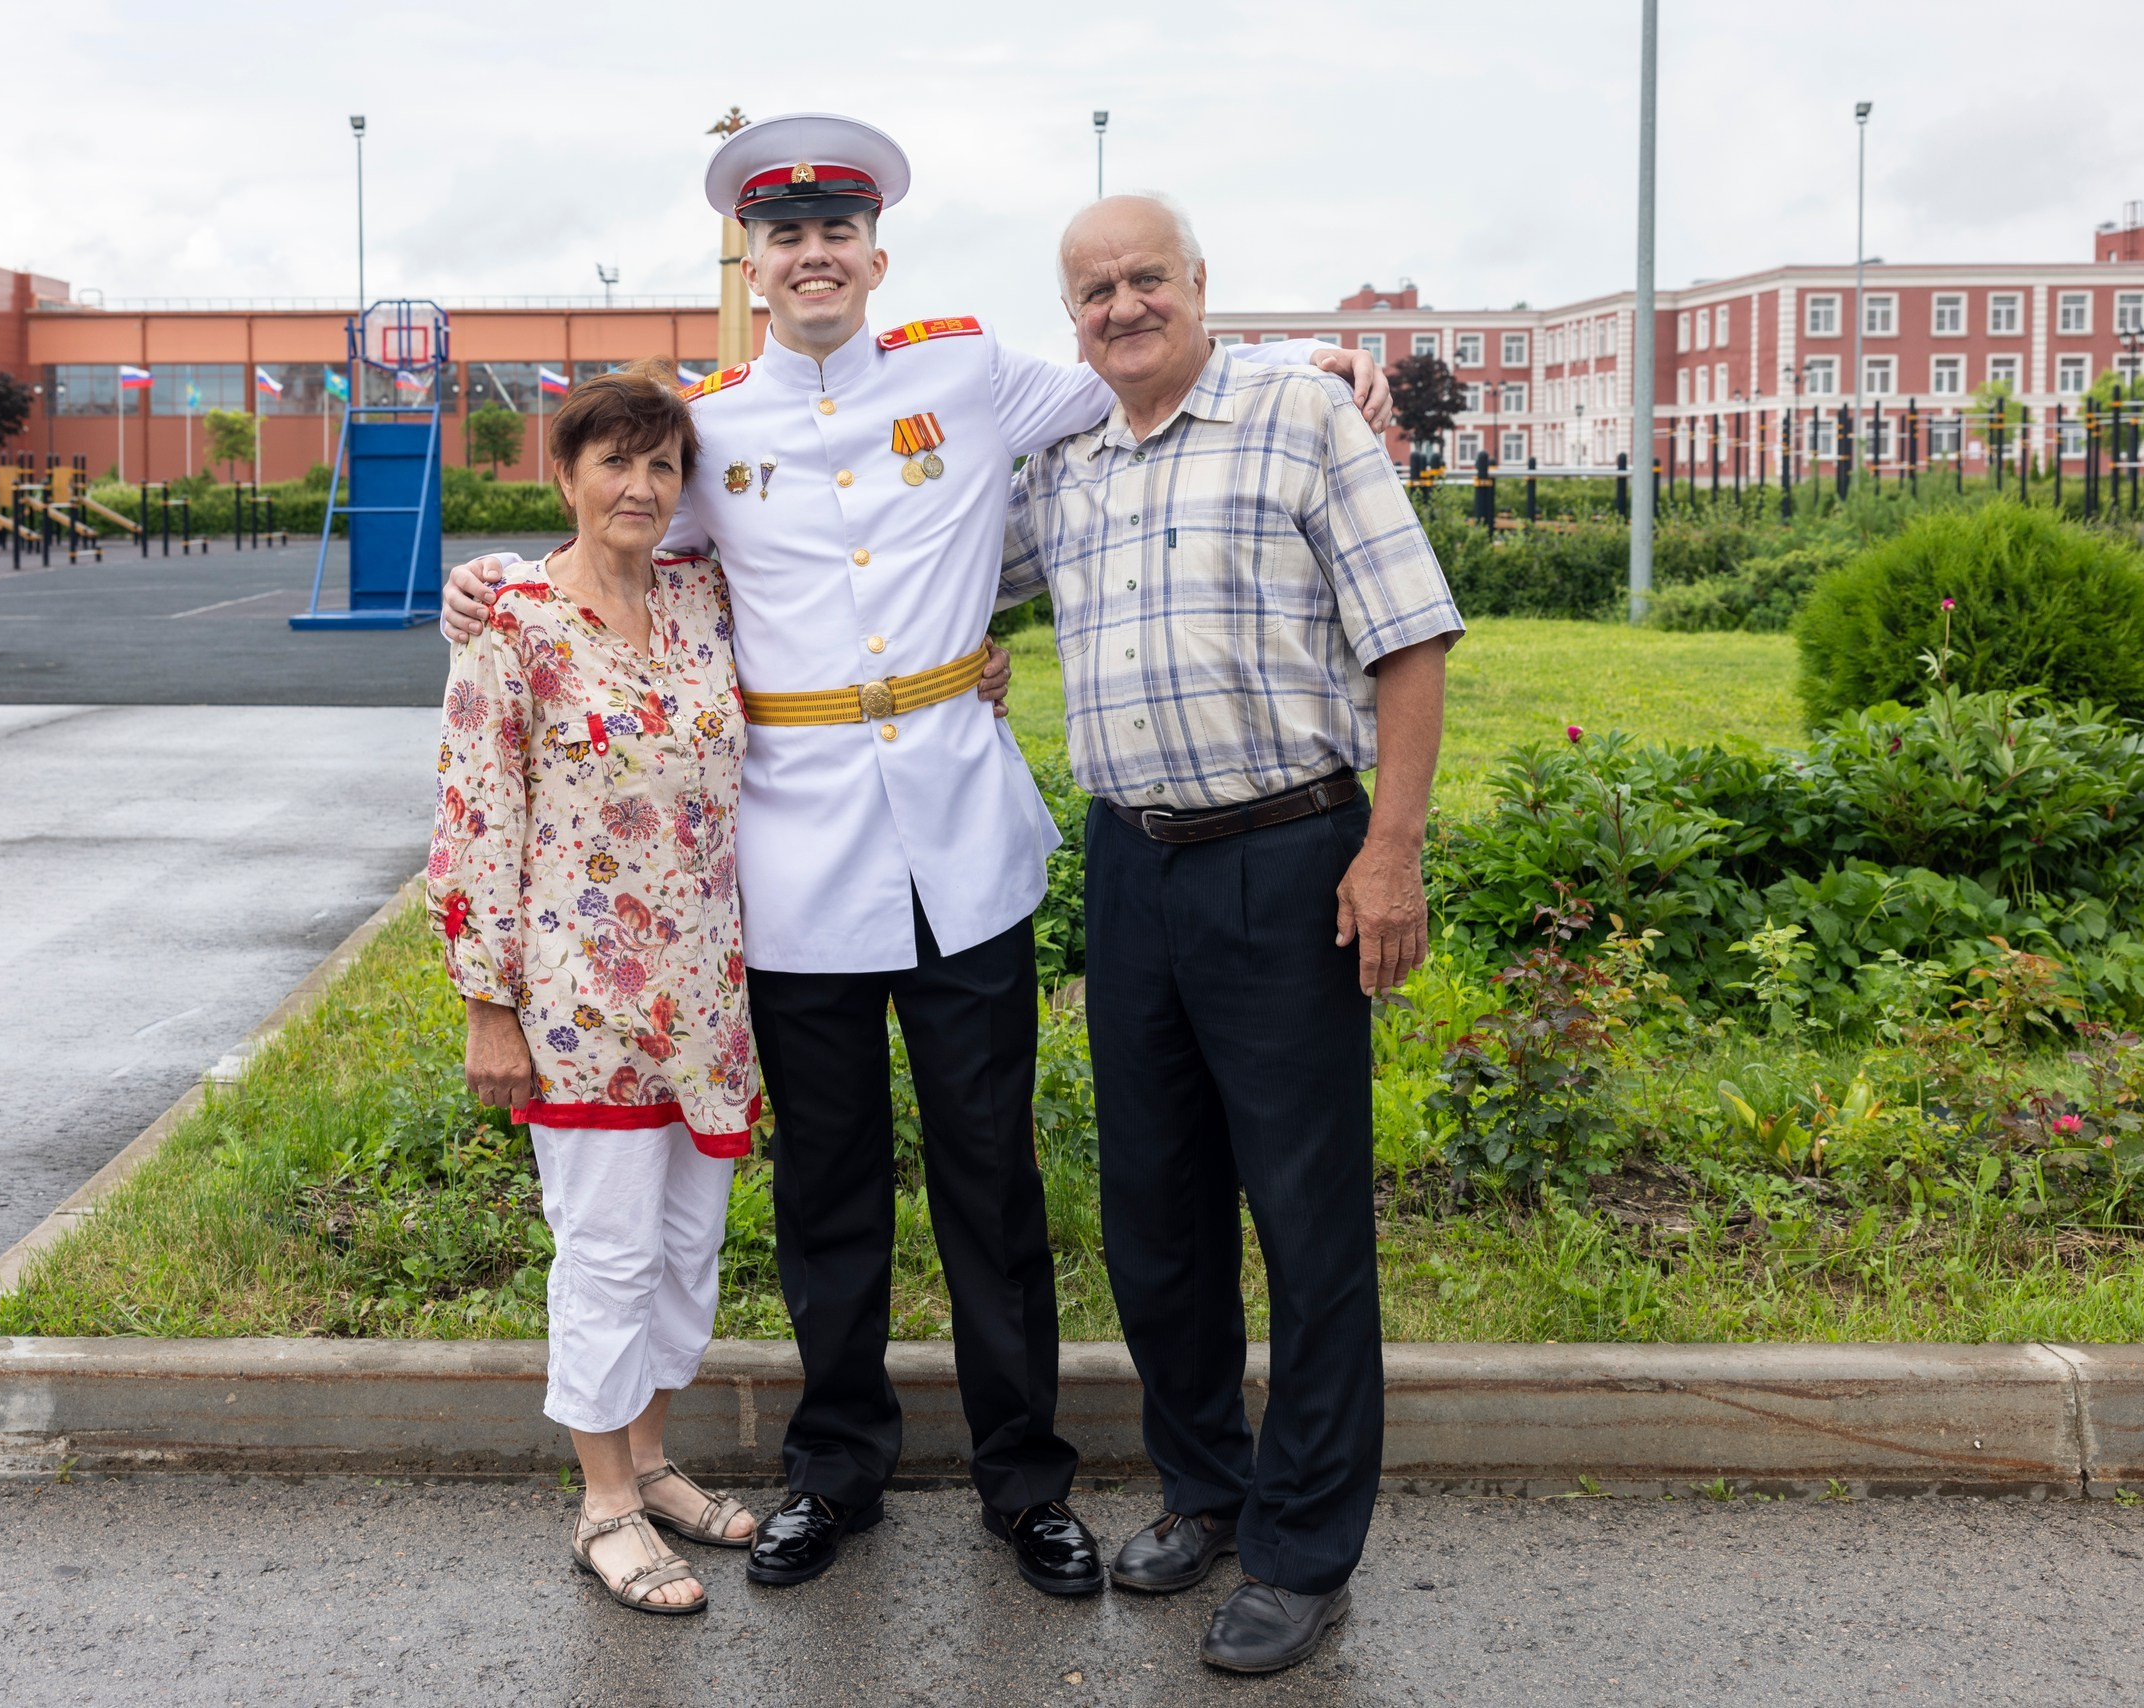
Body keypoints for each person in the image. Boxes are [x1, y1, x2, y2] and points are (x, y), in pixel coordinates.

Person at [441, 112, 1392, 1601]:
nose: (812, 257)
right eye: (784, 238)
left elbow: (1140, 372)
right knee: (828, 1191)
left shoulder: (967, 373)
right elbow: (611, 531)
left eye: (837, 235)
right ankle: (838, 1468)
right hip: (799, 864)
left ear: (877, 257)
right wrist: (489, 583)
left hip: (962, 848)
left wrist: (1315, 369)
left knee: (990, 1185)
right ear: (751, 269)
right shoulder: (714, 424)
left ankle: (1026, 1483)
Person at [996, 193, 1461, 1674]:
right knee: (1155, 1209)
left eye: (1146, 280)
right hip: (1132, 870)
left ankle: (1305, 1547)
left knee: (1306, 1218)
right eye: (1092, 291)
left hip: (1290, 857)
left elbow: (1410, 634)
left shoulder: (1294, 417)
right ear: (1067, 316)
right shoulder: (1061, 457)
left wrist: (1391, 854)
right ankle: (1208, 1487)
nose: (1121, 307)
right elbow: (906, 570)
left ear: (1201, 287)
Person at [428, 366, 764, 1615]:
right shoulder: (513, 625)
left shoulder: (700, 596)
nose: (641, 486)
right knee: (608, 1253)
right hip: (581, 1004)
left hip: (708, 995)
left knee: (685, 1252)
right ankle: (604, 1505)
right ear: (564, 478)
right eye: (613, 462)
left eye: (662, 464)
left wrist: (976, 672)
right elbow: (473, 824)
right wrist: (488, 1003)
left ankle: (655, 1459)